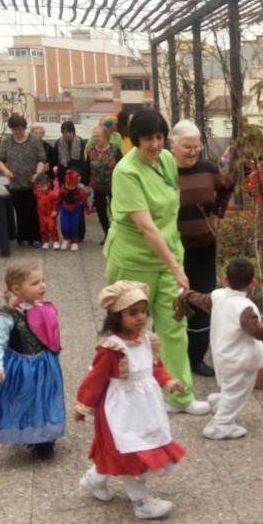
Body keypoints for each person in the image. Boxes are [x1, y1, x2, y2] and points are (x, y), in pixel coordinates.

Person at [102, 109, 209, 416]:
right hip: (133, 260)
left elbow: (170, 207)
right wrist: (176, 268)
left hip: (168, 255)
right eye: (148, 138)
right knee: (129, 329)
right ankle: (120, 395)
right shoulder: (126, 172)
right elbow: (146, 226)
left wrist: (174, 261)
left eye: (160, 137)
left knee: (174, 324)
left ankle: (179, 396)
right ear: (136, 140)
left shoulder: (165, 161)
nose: (155, 144)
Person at [75, 280, 186, 520]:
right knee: (131, 452)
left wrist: (169, 382)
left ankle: (94, 480)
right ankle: (141, 503)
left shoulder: (147, 339)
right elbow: (95, 379)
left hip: (145, 407)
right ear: (117, 316)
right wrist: (83, 405)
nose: (140, 317)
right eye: (133, 313)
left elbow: (155, 367)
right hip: (121, 409)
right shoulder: (112, 349)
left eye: (144, 311)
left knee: (125, 450)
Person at [174, 258, 263, 440]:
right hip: (241, 360)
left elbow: (202, 300)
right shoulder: (245, 308)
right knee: (239, 391)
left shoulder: (218, 296)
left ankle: (220, 402)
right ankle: (221, 425)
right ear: (252, 282)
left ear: (224, 279)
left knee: (232, 387)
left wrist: (187, 294)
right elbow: (256, 329)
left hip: (223, 356)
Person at [173, 119, 235, 377]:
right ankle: (171, 355)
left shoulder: (209, 170)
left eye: (197, 146)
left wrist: (217, 212)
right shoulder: (164, 172)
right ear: (173, 145)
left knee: (202, 300)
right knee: (172, 301)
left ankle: (196, 357)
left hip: (203, 247)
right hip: (172, 251)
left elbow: (227, 185)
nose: (194, 151)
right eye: (187, 147)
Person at [0, 259, 65, 459]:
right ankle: (29, 433)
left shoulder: (45, 307)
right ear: (17, 289)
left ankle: (44, 437)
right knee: (26, 400)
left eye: (43, 280)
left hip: (44, 364)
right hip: (22, 367)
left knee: (45, 398)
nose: (42, 286)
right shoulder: (9, 316)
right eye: (35, 283)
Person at [0, 114, 48, 247]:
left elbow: (42, 159)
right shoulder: (6, 141)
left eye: (20, 129)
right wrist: (6, 171)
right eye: (14, 130)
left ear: (24, 127)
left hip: (32, 183)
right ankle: (23, 237)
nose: (17, 132)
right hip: (15, 183)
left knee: (33, 211)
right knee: (20, 211)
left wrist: (37, 174)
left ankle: (36, 238)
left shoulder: (34, 140)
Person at [87, 125, 121, 244]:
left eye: (98, 136)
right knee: (101, 212)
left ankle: (117, 235)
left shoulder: (115, 150)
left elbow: (122, 166)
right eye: (94, 136)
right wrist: (87, 185)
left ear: (106, 137)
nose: (96, 138)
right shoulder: (91, 151)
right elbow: (87, 168)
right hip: (97, 186)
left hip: (114, 185)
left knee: (115, 211)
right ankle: (107, 233)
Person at [58, 169, 89, 252]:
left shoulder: (81, 192)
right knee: (64, 226)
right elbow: (58, 200)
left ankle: (75, 241)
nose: (70, 187)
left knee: (74, 226)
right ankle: (66, 238)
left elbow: (85, 201)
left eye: (73, 186)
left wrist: (87, 210)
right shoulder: (62, 190)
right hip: (64, 210)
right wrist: (55, 210)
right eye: (68, 185)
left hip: (75, 211)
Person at [53, 120, 87, 186]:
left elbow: (83, 161)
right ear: (62, 133)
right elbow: (55, 159)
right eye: (65, 132)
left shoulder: (80, 142)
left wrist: (77, 173)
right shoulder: (58, 143)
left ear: (73, 132)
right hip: (62, 174)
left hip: (77, 174)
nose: (68, 134)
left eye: (70, 132)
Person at [33, 173, 61, 250]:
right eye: (39, 187)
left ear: (48, 184)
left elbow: (56, 202)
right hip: (41, 215)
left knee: (52, 228)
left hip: (50, 214)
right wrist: (34, 179)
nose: (41, 189)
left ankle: (55, 241)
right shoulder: (37, 192)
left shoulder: (51, 194)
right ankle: (46, 241)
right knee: (43, 229)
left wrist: (55, 210)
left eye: (43, 186)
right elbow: (34, 188)